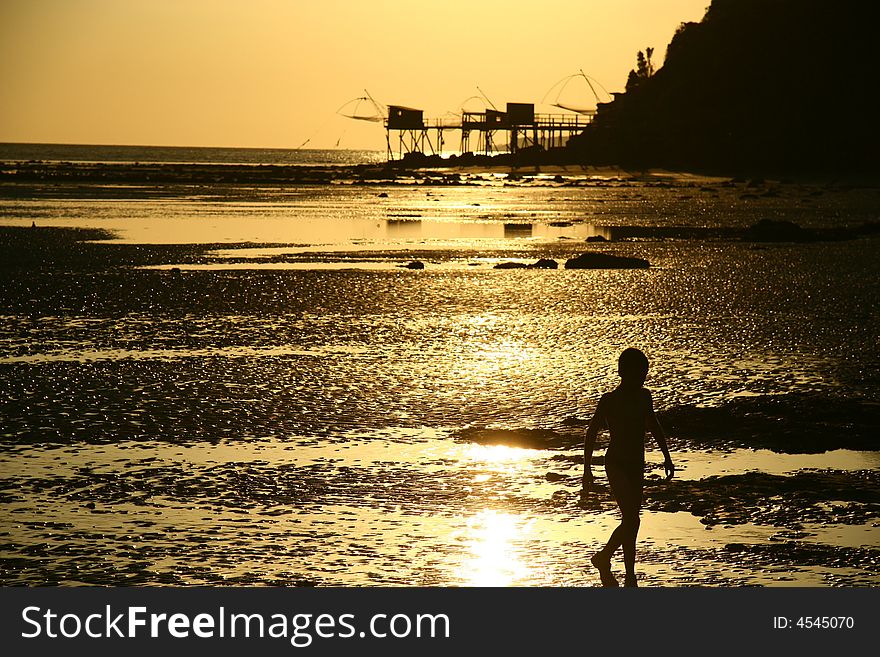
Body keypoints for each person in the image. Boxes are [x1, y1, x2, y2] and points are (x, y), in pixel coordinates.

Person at [582, 348, 674, 587]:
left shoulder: (645, 397)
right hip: (616, 463)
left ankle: (629, 573)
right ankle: (605, 558)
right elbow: (591, 432)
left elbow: (653, 425)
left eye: (645, 371)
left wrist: (667, 456)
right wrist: (587, 469)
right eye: (640, 371)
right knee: (632, 519)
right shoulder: (609, 400)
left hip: (636, 464)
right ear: (624, 371)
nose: (643, 376)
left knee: (631, 519)